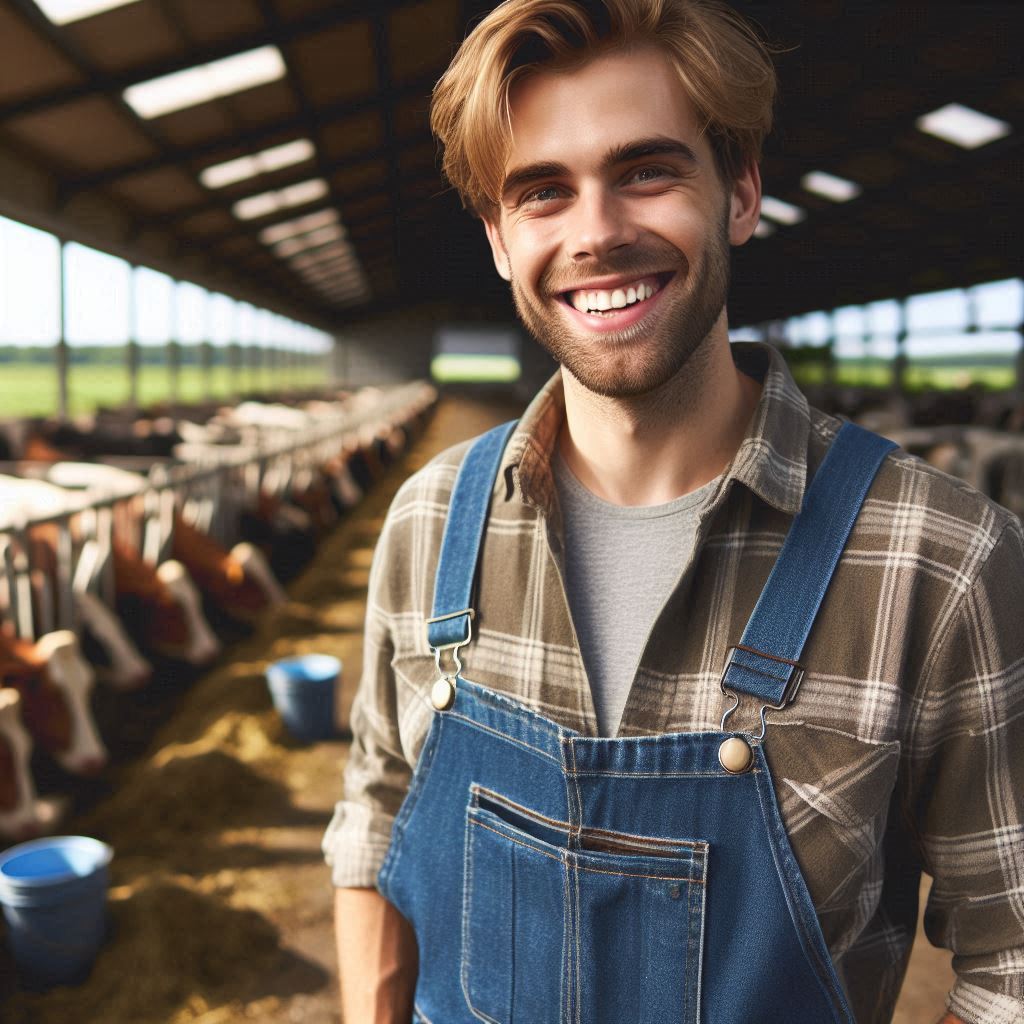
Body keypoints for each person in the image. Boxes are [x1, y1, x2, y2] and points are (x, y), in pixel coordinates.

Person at [323, 2, 1024, 1021]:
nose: (597, 233)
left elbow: (1009, 955)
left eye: (645, 171)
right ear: (497, 238)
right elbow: (376, 812)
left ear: (739, 191)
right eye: (542, 192)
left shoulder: (942, 561)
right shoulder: (429, 522)